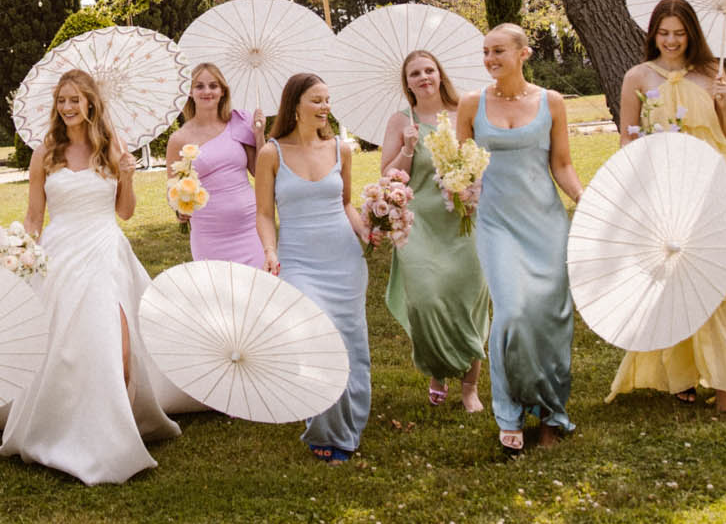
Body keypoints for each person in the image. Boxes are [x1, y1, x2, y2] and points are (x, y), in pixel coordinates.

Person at [609, 0, 726, 411]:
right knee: (676, 281)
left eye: (679, 33)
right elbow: (627, 137)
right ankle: (683, 373)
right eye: (664, 33)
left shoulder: (713, 73)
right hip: (665, 188)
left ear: (691, 34)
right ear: (652, 34)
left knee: (724, 279)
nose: (671, 41)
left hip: (713, 184)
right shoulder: (637, 77)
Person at [0, 70, 180, 484]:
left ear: (90, 103)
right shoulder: (45, 151)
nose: (67, 107)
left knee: (115, 343)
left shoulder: (110, 146)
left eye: (74, 100)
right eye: (62, 100)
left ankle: (116, 427)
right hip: (60, 253)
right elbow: (34, 214)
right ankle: (67, 426)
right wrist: (24, 250)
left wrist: (128, 177)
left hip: (104, 250)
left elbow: (126, 212)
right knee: (66, 347)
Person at [456, 24, 583, 458]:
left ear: (523, 53)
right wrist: (456, 187)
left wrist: (587, 201)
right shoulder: (472, 104)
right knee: (511, 313)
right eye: (485, 52)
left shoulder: (552, 102)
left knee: (548, 319)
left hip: (546, 223)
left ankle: (550, 412)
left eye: (499, 51)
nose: (490, 59)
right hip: (496, 226)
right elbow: (462, 168)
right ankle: (509, 415)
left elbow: (562, 164)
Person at [256, 72, 371, 464]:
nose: (325, 107)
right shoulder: (271, 152)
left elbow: (346, 203)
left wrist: (366, 232)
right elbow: (264, 214)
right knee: (318, 336)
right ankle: (322, 425)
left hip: (343, 258)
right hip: (298, 259)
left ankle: (345, 425)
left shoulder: (342, 149)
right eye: (316, 100)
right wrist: (270, 251)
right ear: (295, 106)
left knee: (350, 342)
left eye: (327, 100)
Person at [379, 50, 488, 411]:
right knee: (425, 301)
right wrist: (407, 149)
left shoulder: (465, 112)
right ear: (407, 82)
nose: (423, 77)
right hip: (419, 225)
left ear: (440, 74)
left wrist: (469, 180)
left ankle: (470, 386)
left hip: (464, 220)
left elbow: (486, 159)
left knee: (468, 300)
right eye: (415, 73)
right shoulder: (400, 121)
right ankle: (437, 369)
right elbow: (388, 177)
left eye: (429, 70)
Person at [165, 62, 266, 266]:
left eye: (213, 86)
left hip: (249, 230)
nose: (207, 91)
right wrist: (180, 210)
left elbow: (260, 172)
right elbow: (172, 190)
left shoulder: (239, 122)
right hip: (209, 234)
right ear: (190, 92)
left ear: (222, 91)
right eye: (199, 86)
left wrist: (259, 135)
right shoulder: (179, 138)